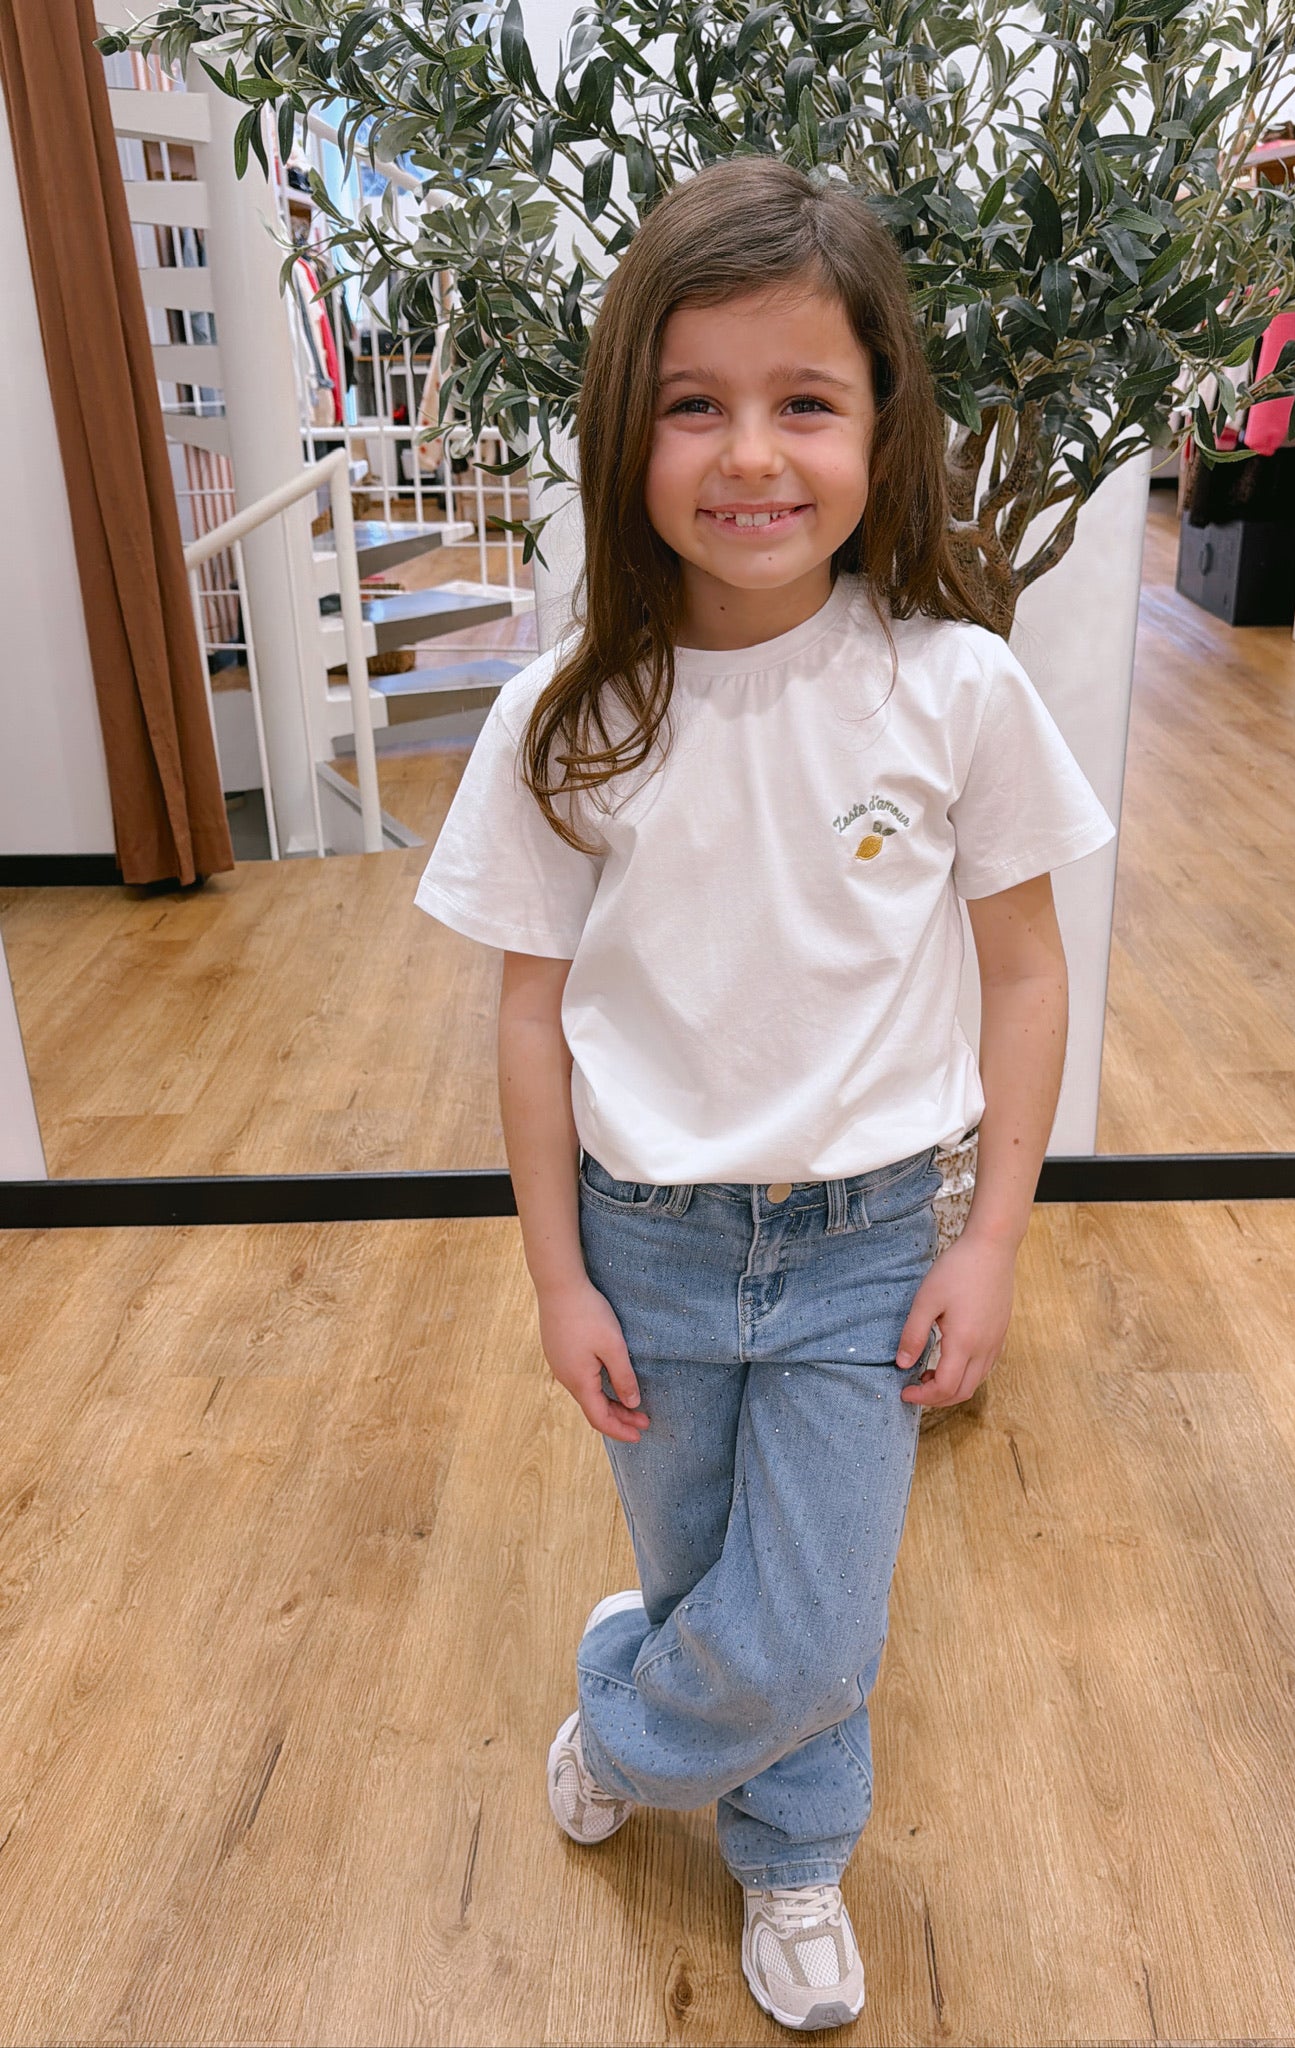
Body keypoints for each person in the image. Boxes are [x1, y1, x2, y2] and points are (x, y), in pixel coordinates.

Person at [414, 154, 1116, 2033]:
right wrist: (556, 1279)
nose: (750, 456)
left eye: (805, 402)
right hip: (643, 1244)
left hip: (867, 1245)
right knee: (712, 1577)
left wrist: (993, 1241)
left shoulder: (954, 689)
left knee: (809, 1621)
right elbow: (530, 1024)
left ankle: (671, 1766)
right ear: (624, 433)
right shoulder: (566, 715)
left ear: (883, 426)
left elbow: (1029, 976)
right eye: (694, 406)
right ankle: (747, 1791)